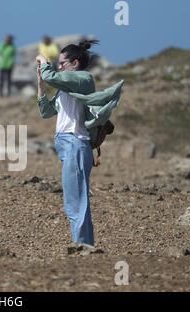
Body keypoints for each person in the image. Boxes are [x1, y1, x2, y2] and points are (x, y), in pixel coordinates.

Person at [36, 40, 124, 247]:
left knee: (76, 202)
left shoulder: (83, 79)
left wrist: (43, 60)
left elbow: (52, 75)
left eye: (62, 63)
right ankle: (85, 247)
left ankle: (82, 247)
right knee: (76, 199)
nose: (59, 66)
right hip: (67, 144)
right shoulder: (65, 85)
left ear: (75, 63)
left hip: (76, 142)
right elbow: (46, 112)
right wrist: (41, 86)